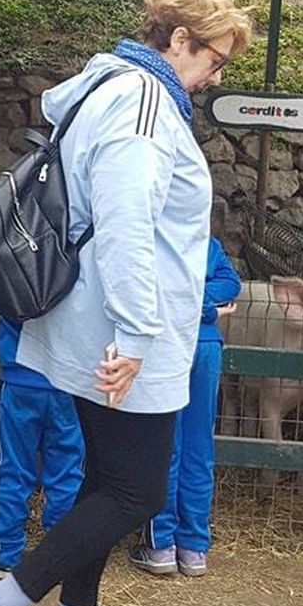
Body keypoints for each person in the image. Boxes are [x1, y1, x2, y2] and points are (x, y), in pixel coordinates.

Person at [0, 0, 251, 606]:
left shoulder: (110, 88)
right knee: (137, 492)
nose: (212, 78)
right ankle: (1, 603)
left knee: (105, 476)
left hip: (97, 321)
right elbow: (126, 225)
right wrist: (138, 332)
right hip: (120, 332)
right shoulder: (145, 102)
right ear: (181, 40)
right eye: (214, 60)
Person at [129, 236, 240, 578]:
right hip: (205, 343)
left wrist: (191, 304)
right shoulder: (203, 239)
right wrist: (206, 308)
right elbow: (229, 282)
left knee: (165, 444)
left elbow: (152, 291)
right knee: (197, 445)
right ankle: (193, 547)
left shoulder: (149, 236)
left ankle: (161, 544)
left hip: (165, 344)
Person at [0, 310, 84, 578]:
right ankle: (62, 554)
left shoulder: (18, 264)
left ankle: (4, 552)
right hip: (71, 379)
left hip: (21, 376)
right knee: (68, 470)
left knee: (13, 467)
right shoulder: (90, 266)